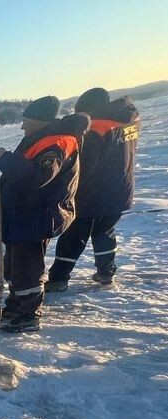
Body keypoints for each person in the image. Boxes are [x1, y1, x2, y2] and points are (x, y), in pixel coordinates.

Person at [0, 96, 89, 333]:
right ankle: (16, 305)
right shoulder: (41, 139)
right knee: (15, 266)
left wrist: (4, 158)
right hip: (23, 215)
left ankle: (28, 315)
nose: (22, 126)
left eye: (26, 120)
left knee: (27, 269)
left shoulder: (57, 143)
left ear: (40, 121)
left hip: (35, 217)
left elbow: (37, 177)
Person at [46, 88, 140, 290]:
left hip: (93, 194)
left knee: (73, 235)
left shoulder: (95, 128)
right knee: (104, 231)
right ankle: (106, 272)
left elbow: (86, 167)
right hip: (121, 189)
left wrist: (68, 188)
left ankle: (58, 279)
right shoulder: (128, 120)